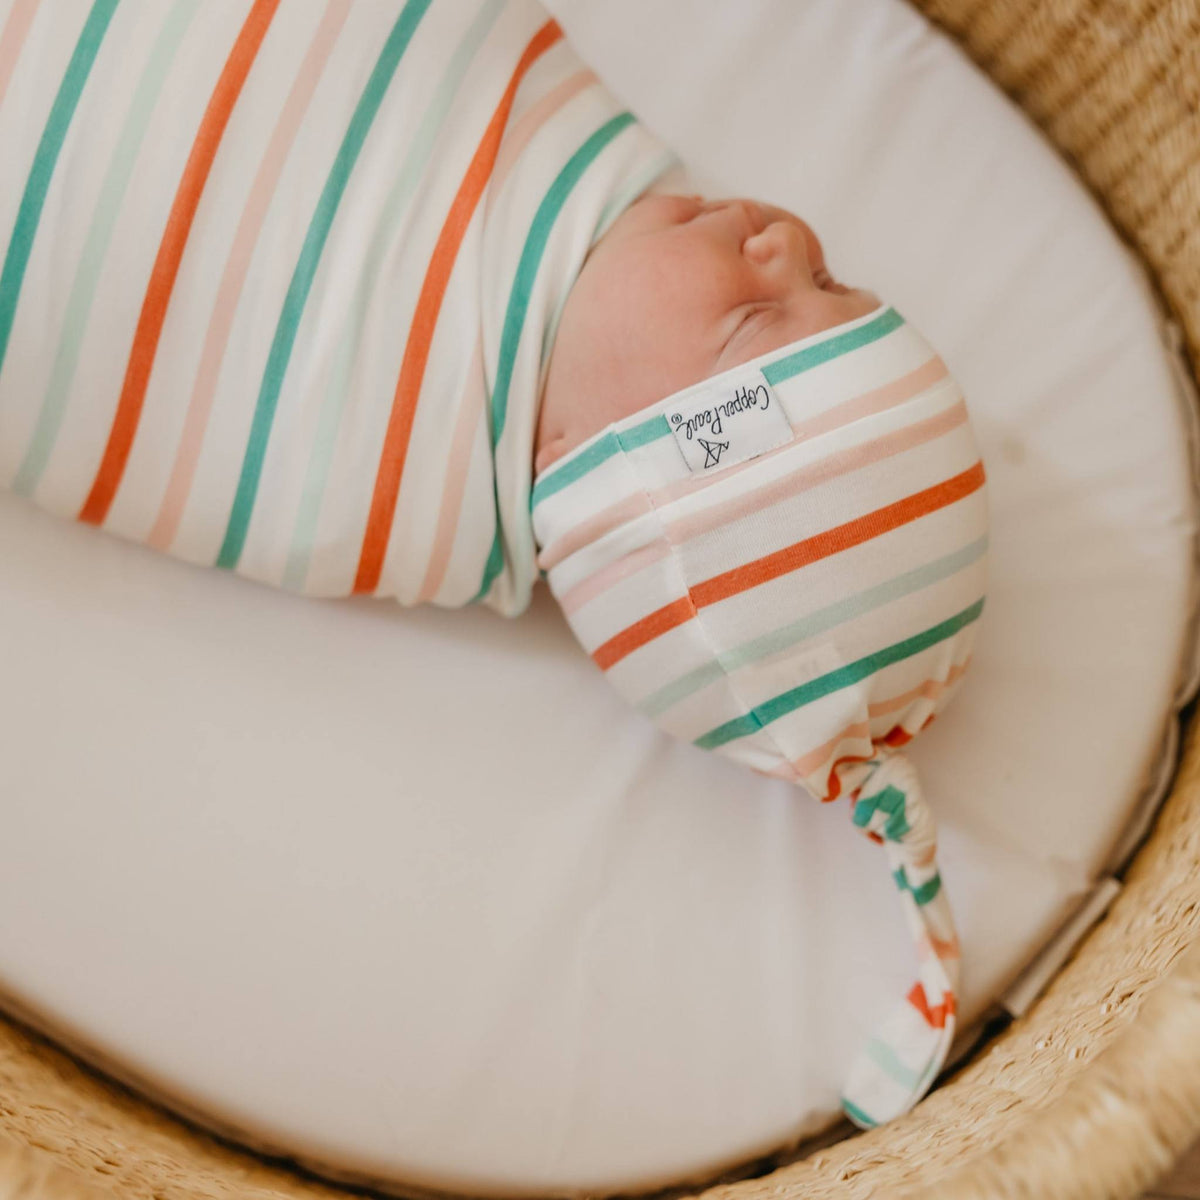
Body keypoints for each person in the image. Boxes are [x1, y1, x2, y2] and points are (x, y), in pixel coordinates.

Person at [0, 0, 988, 1127]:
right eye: (835, 279)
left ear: (615, 492)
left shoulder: (381, 479)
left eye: (760, 320)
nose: (791, 240)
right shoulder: (587, 191)